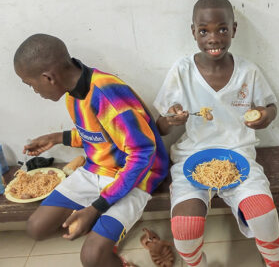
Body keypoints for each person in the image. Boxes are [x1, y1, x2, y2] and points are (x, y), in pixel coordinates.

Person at [154, 0, 279, 266]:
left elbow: (270, 107)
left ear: (234, 30)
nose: (213, 38)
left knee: (264, 216)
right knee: (185, 228)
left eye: (222, 29)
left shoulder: (248, 72)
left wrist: (265, 116)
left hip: (239, 157)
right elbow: (161, 126)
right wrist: (171, 119)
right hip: (192, 158)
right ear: (194, 32)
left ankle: (277, 262)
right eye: (204, 31)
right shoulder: (182, 70)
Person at [17, 33, 169, 266]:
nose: (34, 91)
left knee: (91, 257)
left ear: (48, 78)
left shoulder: (107, 94)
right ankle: (103, 234)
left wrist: (97, 207)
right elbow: (102, 134)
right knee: (36, 227)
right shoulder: (73, 92)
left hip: (138, 174)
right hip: (98, 169)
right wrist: (59, 137)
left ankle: (109, 248)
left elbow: (142, 154)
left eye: (31, 85)